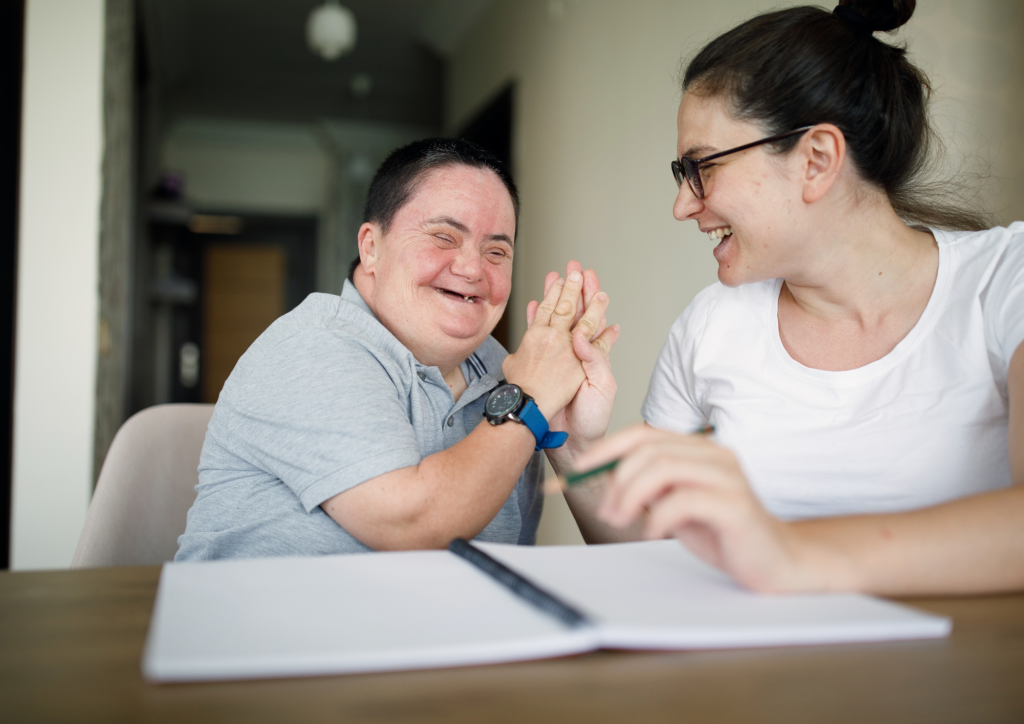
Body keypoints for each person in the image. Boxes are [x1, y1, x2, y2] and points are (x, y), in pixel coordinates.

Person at [573, 0, 1024, 596]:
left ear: (816, 160)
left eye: (701, 167)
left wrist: (788, 554)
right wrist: (574, 442)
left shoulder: (1006, 280)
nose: (683, 205)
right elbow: (653, 552)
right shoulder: (710, 326)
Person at [176, 138, 619, 560]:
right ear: (371, 247)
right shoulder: (313, 346)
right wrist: (529, 400)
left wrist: (570, 443)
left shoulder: (507, 375)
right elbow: (415, 525)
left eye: (497, 252)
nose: (471, 269)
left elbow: (514, 568)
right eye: (444, 237)